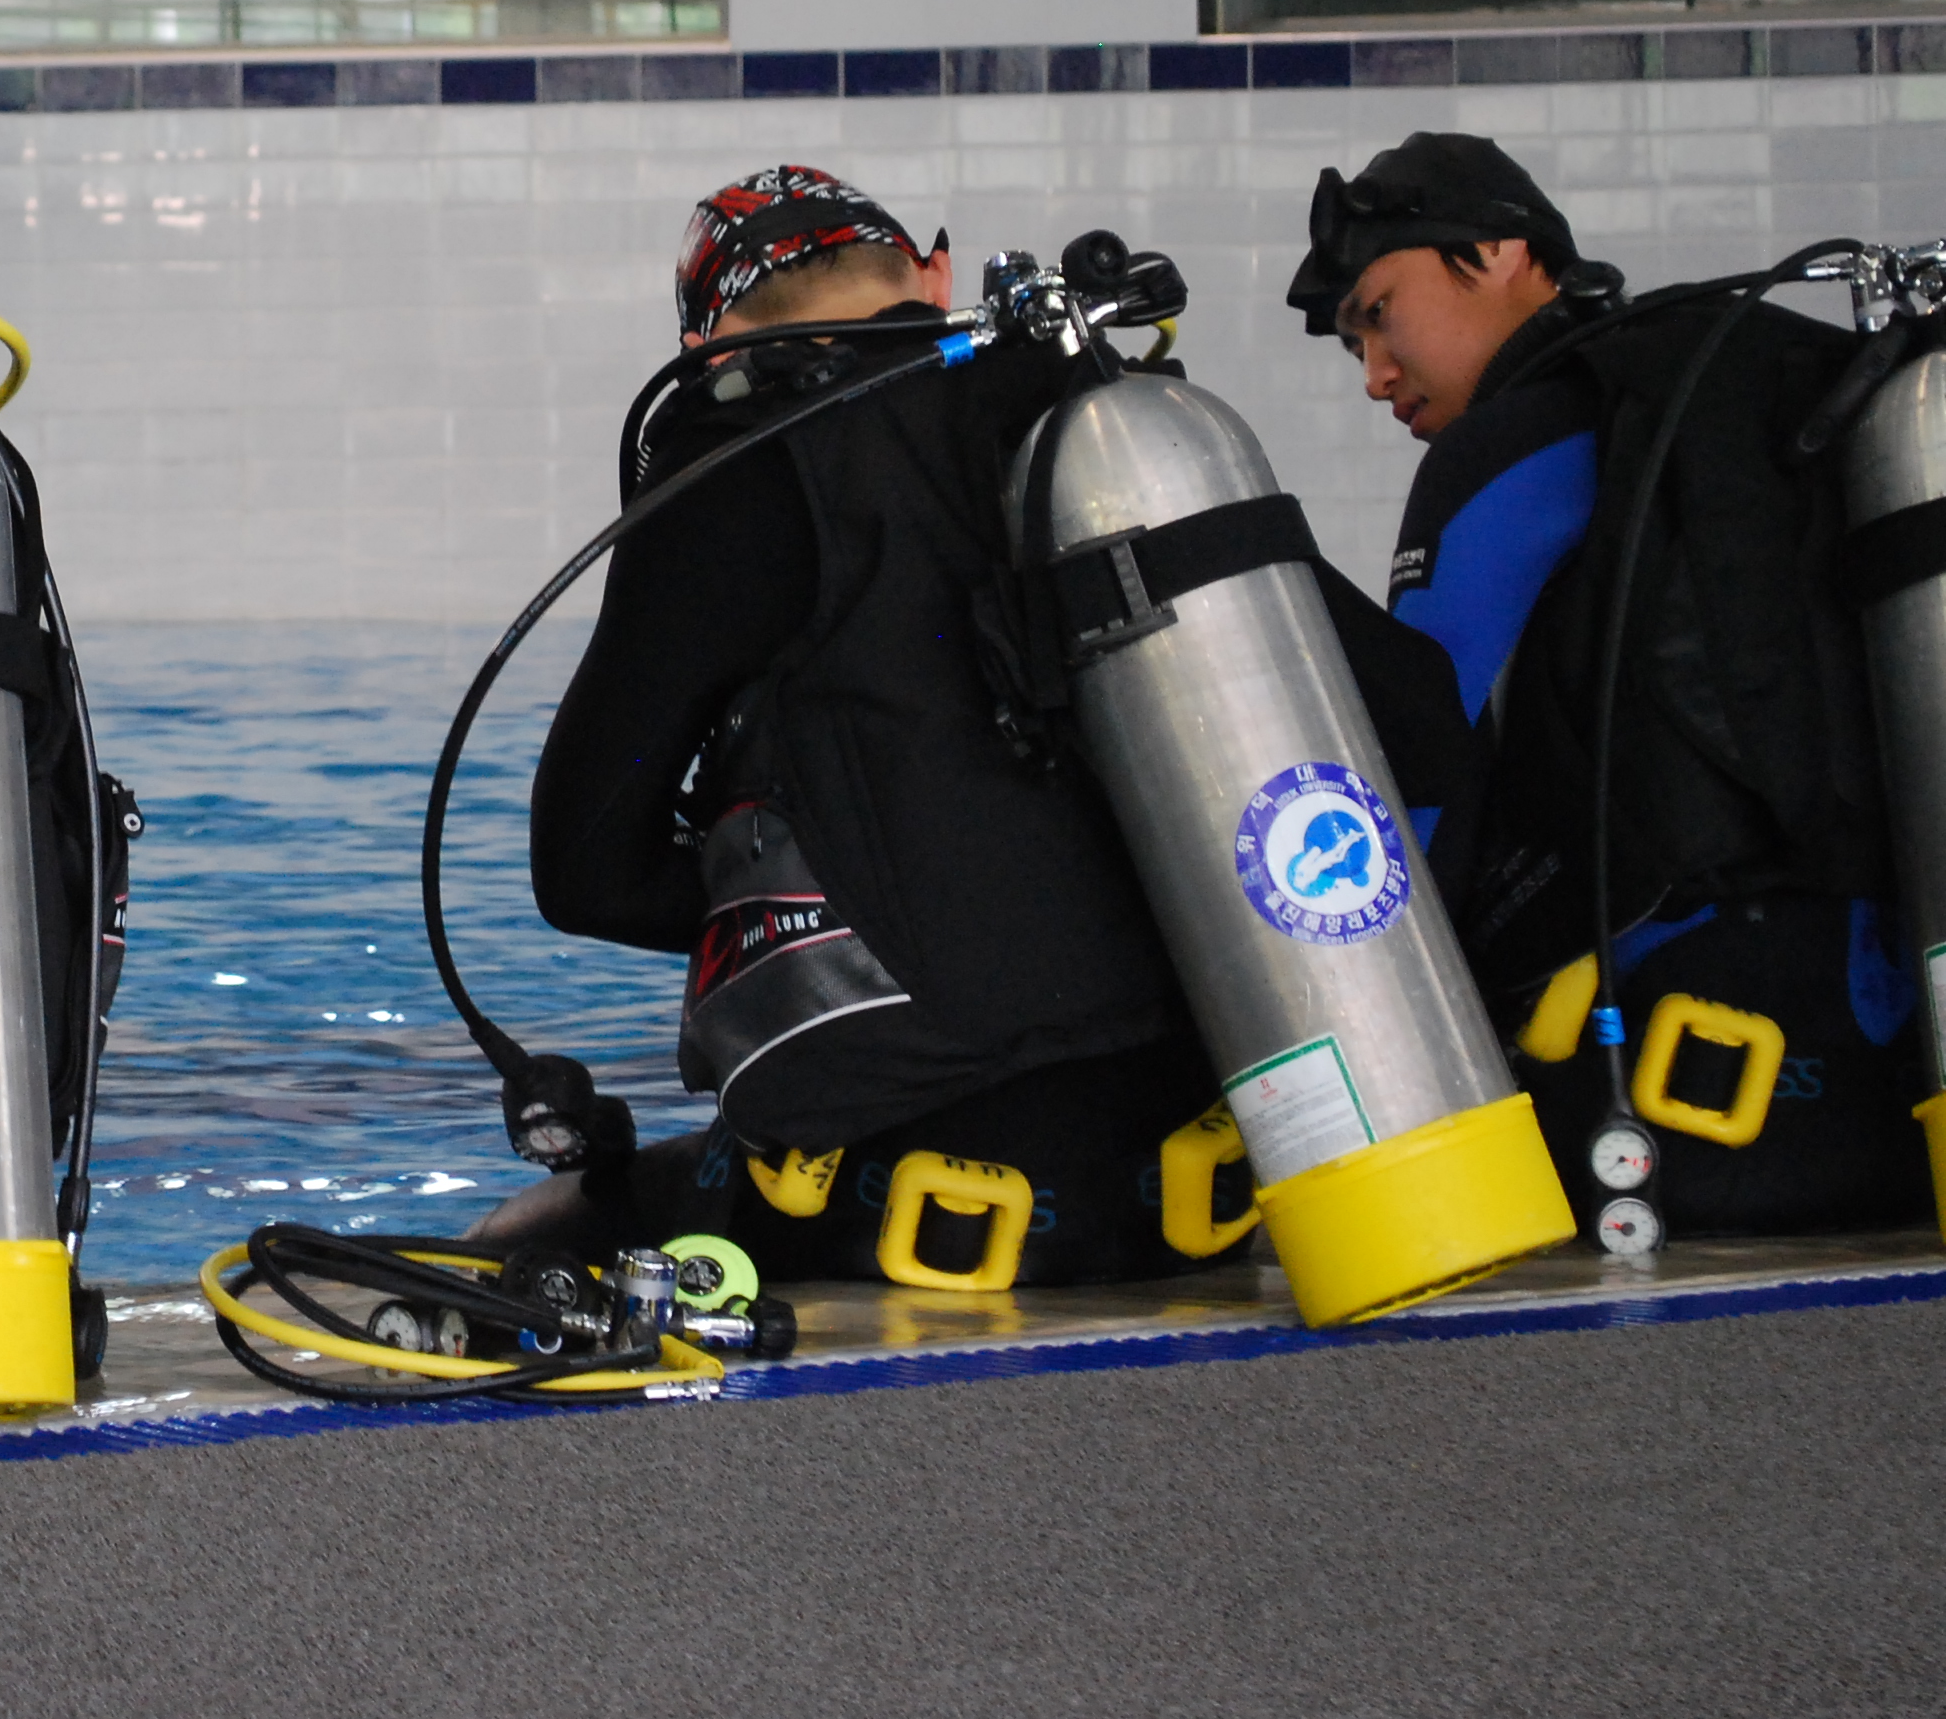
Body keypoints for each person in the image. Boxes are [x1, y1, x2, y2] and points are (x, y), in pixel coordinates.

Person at [493, 169, 1256, 1289]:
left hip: (906, 1199)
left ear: (707, 345)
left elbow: (585, 869)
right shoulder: (1109, 423)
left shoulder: (738, 464)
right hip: (1207, 1178)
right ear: (934, 276)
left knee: (523, 1237)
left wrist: (812, 884)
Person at [1283, 131, 1921, 1236]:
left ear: (1496, 251)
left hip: (1665, 1116)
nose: (1376, 374)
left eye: (1378, 314)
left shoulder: (1518, 437)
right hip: (1893, 1068)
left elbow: (1415, 776)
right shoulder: (1771, 385)